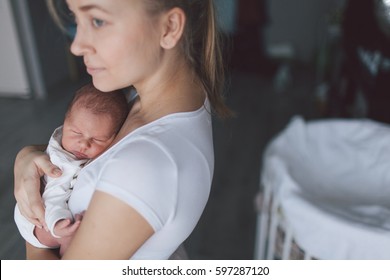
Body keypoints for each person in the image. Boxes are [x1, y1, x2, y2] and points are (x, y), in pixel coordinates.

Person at [13, 0, 231, 259]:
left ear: (169, 27)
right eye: (77, 19)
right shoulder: (144, 101)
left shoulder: (144, 164)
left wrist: (31, 222)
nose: (76, 45)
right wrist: (28, 155)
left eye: (97, 21)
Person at [14, 83, 129, 256]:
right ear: (64, 123)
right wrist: (59, 223)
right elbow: (53, 195)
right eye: (76, 133)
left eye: (97, 140)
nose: (83, 144)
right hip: (36, 221)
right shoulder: (61, 162)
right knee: (72, 236)